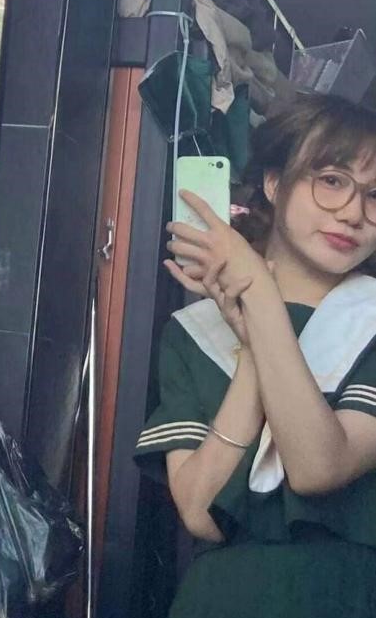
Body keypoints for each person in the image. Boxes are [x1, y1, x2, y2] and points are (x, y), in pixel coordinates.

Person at [134, 94, 376, 618]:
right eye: (331, 180)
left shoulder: (371, 320)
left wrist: (261, 296)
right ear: (274, 182)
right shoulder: (191, 334)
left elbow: (317, 467)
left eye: (375, 194)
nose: (354, 213)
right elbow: (202, 515)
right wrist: (251, 348)